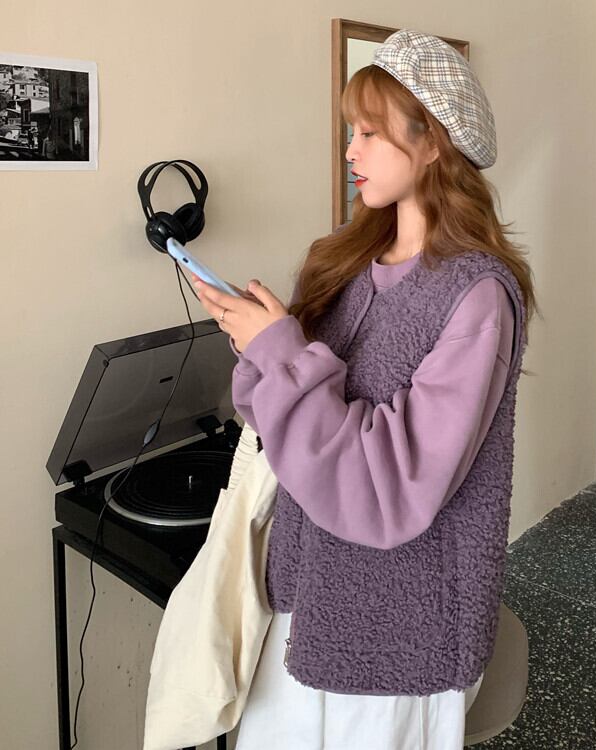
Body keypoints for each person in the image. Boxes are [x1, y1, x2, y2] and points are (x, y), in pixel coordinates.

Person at [192, 28, 538, 750]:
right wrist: (261, 348)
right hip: (307, 592)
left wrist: (281, 353)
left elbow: (391, 488)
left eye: (371, 133)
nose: (351, 151)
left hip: (399, 627)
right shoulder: (343, 264)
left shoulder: (477, 297)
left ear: (433, 141)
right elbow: (274, 422)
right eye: (352, 131)